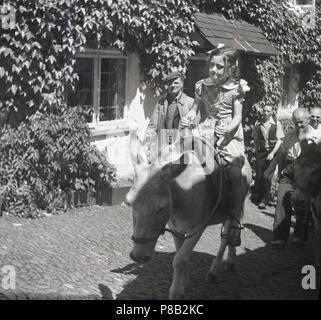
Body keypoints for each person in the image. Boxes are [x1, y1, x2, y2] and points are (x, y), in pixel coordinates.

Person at [180, 45, 252, 242]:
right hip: (205, 129)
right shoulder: (201, 85)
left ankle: (235, 217)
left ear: (230, 68)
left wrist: (228, 130)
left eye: (219, 67)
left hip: (229, 134)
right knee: (177, 156)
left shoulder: (237, 88)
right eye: (212, 65)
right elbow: (195, 109)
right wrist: (189, 117)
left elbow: (237, 118)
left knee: (236, 171)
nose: (213, 70)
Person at [271, 108, 314, 247]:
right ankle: (280, 237)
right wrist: (278, 172)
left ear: (308, 119)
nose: (298, 125)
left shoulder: (316, 136)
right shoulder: (290, 134)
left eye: (301, 122)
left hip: (306, 171)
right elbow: (282, 154)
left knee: (302, 203)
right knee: (282, 199)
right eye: (295, 122)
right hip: (289, 171)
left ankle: (299, 235)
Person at [251, 105, 284, 209]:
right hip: (261, 152)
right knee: (260, 175)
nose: (265, 113)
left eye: (268, 111)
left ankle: (265, 199)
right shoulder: (257, 124)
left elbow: (280, 140)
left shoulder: (276, 124)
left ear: (271, 112)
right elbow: (255, 140)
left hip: (273, 152)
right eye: (264, 110)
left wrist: (273, 153)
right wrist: (256, 152)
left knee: (266, 175)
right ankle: (261, 196)